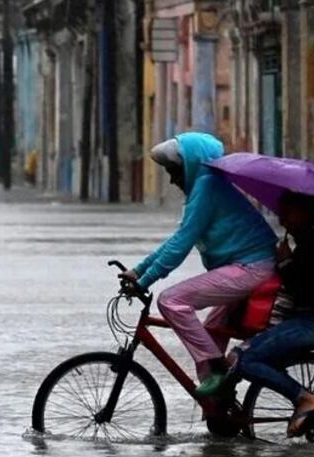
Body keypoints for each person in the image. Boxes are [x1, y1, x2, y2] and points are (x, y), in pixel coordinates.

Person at [118, 132, 278, 397]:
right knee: (210, 332)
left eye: (174, 171)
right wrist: (138, 271)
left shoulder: (208, 186)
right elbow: (178, 238)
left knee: (171, 301)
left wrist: (145, 281)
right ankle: (219, 408)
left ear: (192, 165)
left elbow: (181, 245)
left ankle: (217, 369)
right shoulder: (205, 187)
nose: (171, 179)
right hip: (247, 266)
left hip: (252, 267)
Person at [232, 191, 314, 438]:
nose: (283, 220)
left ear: (305, 210)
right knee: (242, 352)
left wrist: (286, 262)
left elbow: (302, 289)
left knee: (244, 360)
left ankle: (305, 399)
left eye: (287, 213)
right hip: (311, 319)